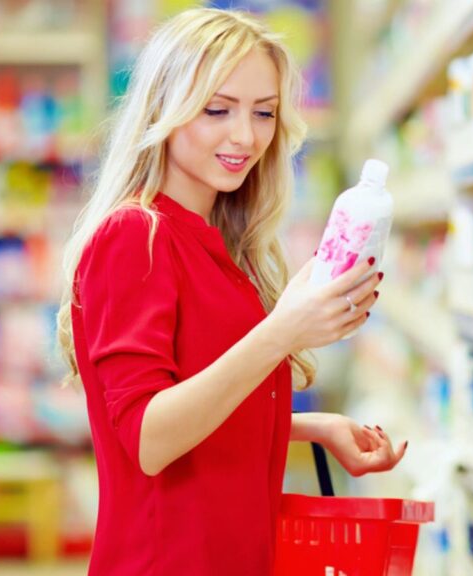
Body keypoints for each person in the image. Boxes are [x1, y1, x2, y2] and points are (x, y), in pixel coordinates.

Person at [55, 7, 407, 575]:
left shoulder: (220, 249)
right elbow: (148, 439)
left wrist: (309, 427)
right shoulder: (135, 238)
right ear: (164, 110)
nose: (245, 136)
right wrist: (282, 332)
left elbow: (200, 409)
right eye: (217, 109)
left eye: (263, 113)